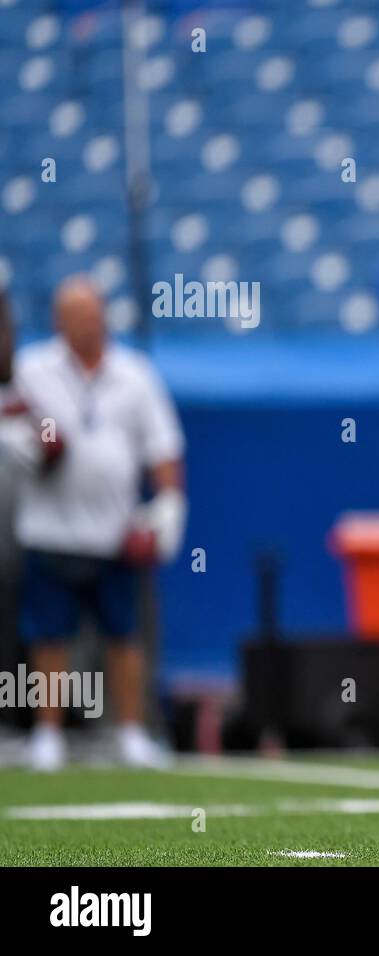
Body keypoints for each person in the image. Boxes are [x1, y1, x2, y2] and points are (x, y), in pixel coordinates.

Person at [15, 276, 187, 771]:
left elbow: (163, 445)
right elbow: (15, 426)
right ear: (58, 323)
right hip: (50, 529)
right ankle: (48, 734)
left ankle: (131, 732)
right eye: (77, 317)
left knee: (124, 635)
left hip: (115, 532)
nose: (89, 326)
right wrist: (30, 447)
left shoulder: (134, 374)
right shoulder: (33, 370)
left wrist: (168, 503)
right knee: (50, 638)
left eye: (93, 315)